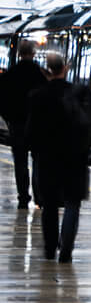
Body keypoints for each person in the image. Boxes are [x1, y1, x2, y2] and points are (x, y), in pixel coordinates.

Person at [23, 52, 91, 261]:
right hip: (75, 158)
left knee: (49, 205)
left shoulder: (38, 96)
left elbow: (30, 133)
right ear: (65, 69)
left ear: (45, 71)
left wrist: (36, 150)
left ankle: (50, 249)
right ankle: (66, 250)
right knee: (72, 203)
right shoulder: (81, 94)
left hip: (48, 158)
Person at [1, 39, 47, 209]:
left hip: (17, 124)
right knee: (37, 161)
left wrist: (9, 118)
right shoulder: (41, 75)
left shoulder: (10, 74)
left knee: (20, 162)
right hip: (37, 125)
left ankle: (23, 197)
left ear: (19, 54)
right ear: (33, 54)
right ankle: (39, 197)